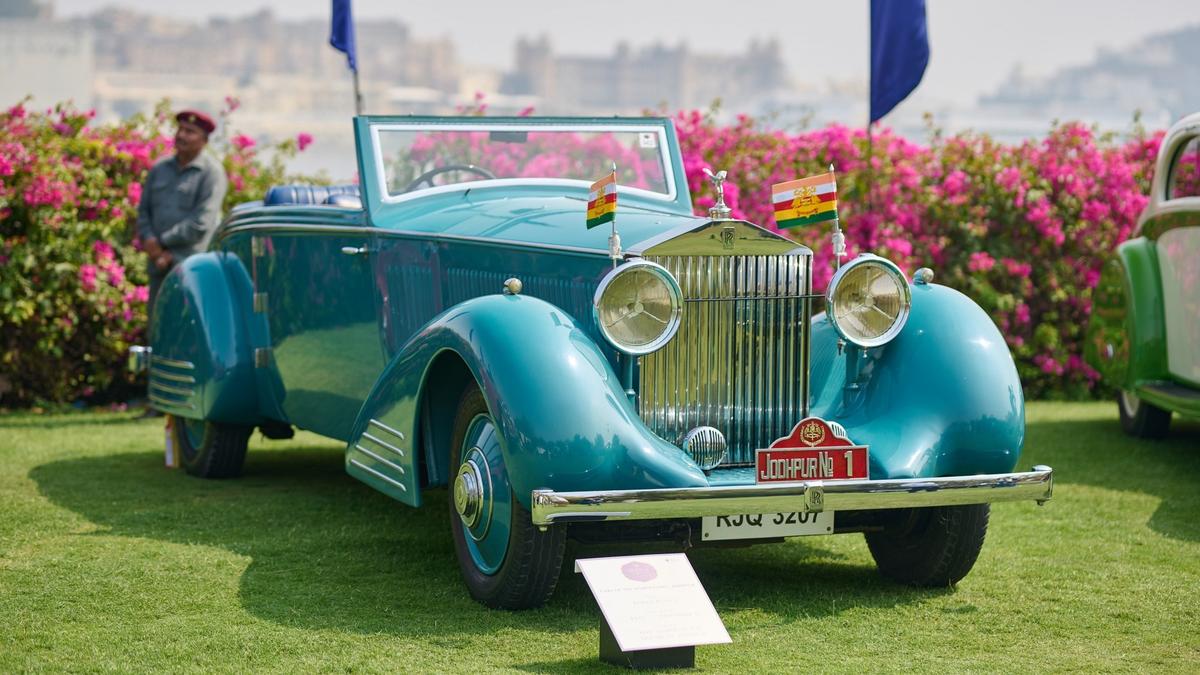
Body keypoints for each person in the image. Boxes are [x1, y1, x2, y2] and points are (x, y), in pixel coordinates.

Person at [137, 109, 228, 318]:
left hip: (191, 266)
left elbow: (201, 222)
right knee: (158, 324)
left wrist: (161, 243)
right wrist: (151, 242)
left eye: (190, 132)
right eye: (180, 129)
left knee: (188, 325)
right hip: (159, 265)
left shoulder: (211, 173)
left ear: (204, 140)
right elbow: (143, 211)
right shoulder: (160, 168)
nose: (182, 135)